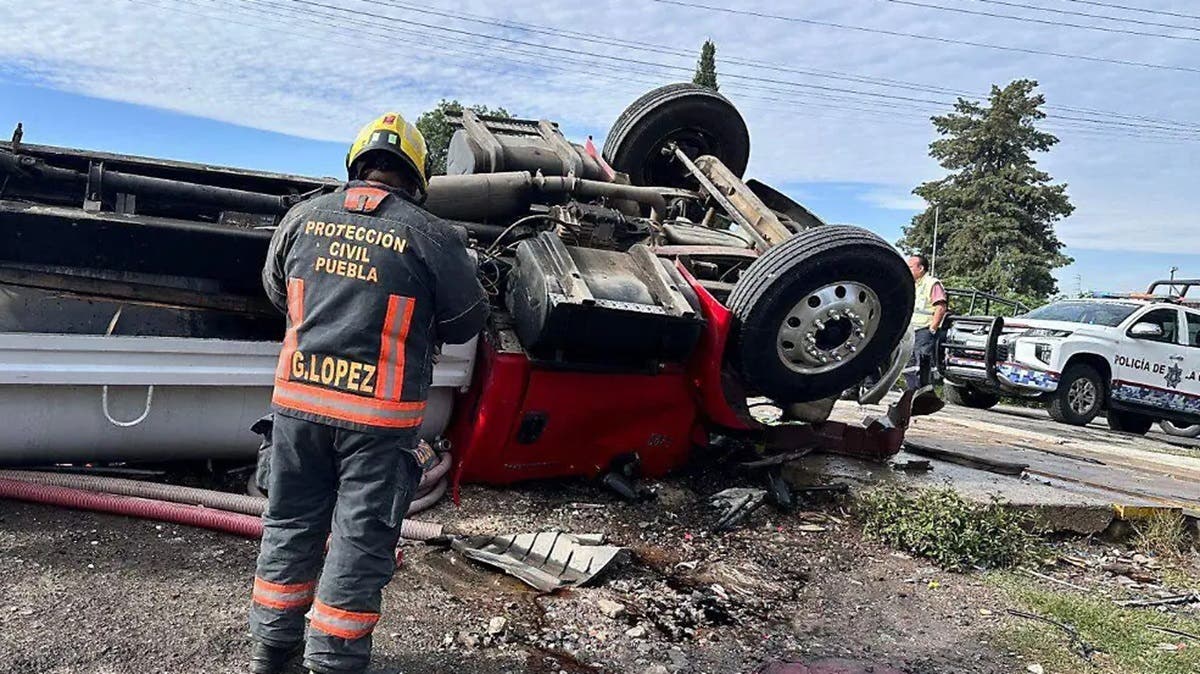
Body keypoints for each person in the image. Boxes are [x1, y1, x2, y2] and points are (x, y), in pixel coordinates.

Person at [249, 112, 488, 674]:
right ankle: (332, 663)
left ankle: (271, 654)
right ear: (416, 176)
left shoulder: (301, 218)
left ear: (357, 165)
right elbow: (465, 323)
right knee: (359, 541)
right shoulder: (432, 235)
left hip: (299, 410)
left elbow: (276, 290)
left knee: (288, 525)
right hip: (377, 424)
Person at [905, 253, 947, 390]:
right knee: (909, 364)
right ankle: (912, 391)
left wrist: (932, 328)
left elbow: (940, 307)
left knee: (922, 362)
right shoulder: (913, 284)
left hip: (924, 329)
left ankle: (925, 392)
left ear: (921, 268)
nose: (907, 269)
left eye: (910, 267)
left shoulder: (931, 283)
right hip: (911, 330)